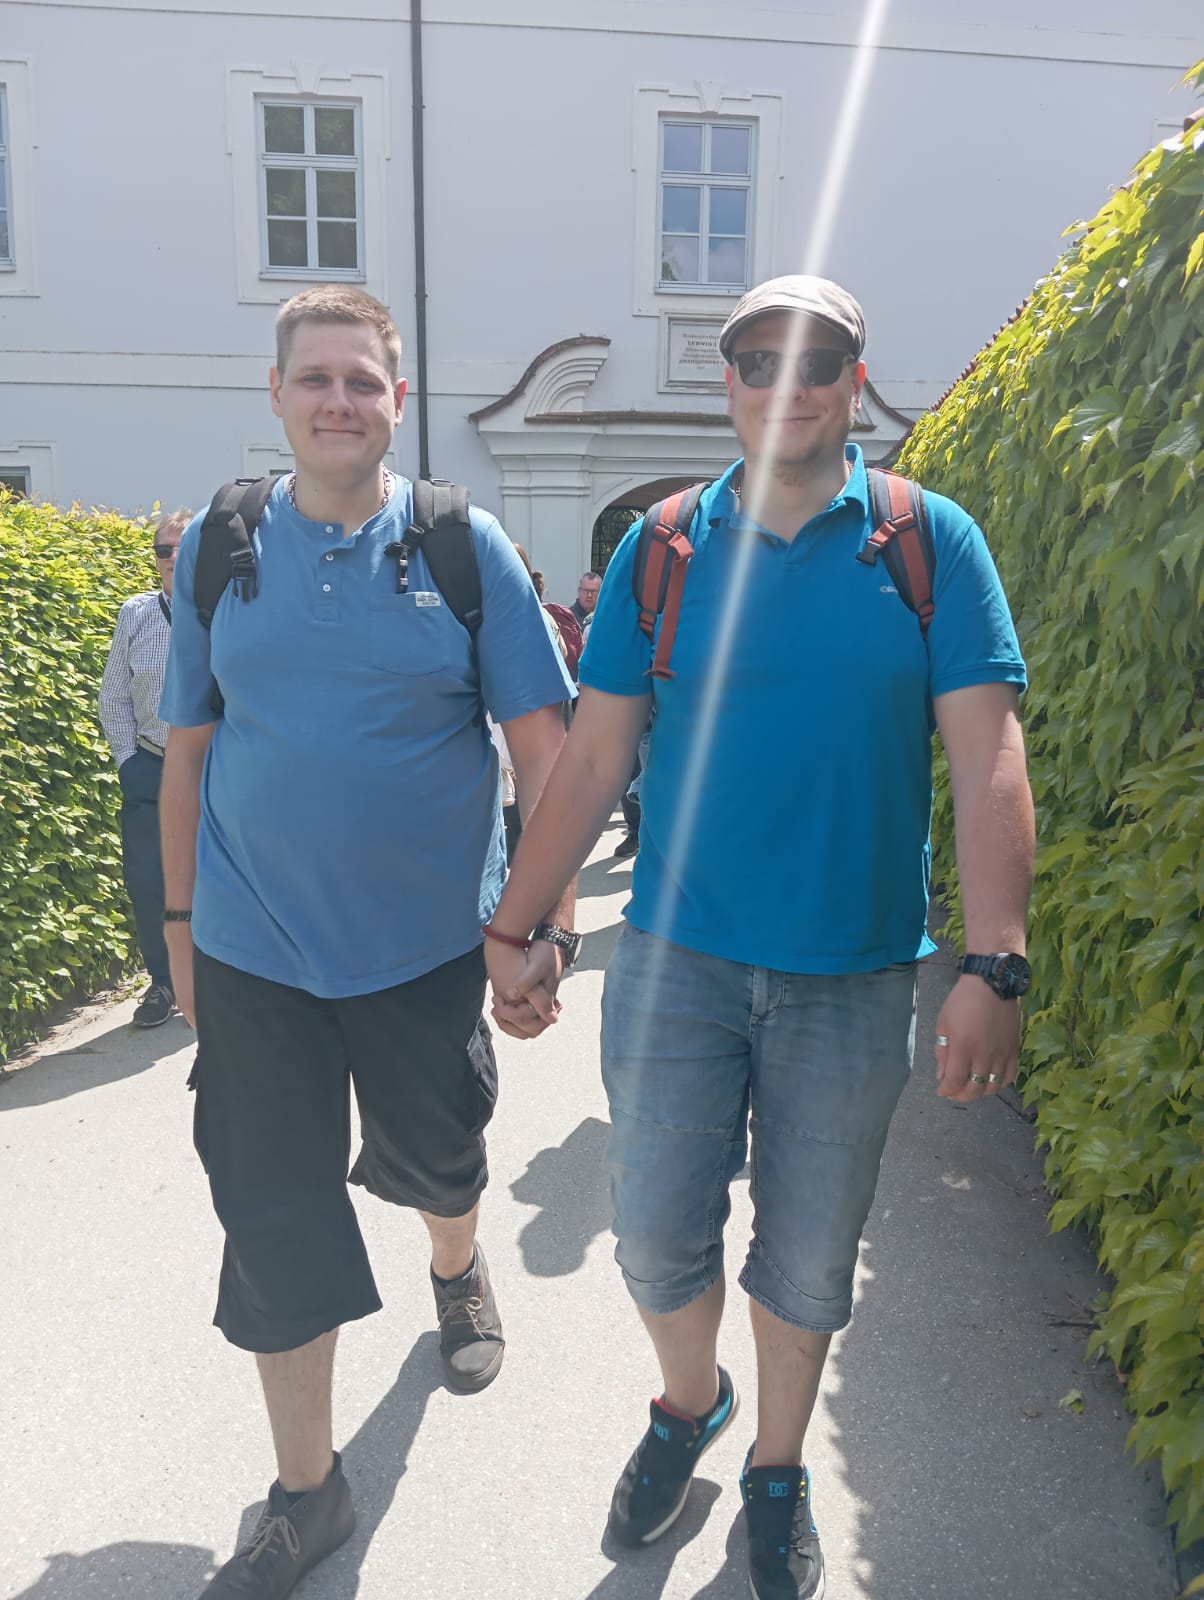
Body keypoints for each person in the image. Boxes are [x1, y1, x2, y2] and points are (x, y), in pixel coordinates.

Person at [482, 274, 1034, 1600]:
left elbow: (987, 754)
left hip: (852, 974)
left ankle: (776, 1471)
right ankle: (692, 1402)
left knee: (806, 1255)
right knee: (652, 1238)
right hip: (677, 963)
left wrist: (994, 962)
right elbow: (594, 755)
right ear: (726, 382)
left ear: (854, 383)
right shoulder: (664, 548)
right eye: (758, 361)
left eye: (817, 361)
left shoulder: (926, 542)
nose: (787, 384)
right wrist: (518, 924)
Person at [158, 285, 575, 1600]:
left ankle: (456, 1264)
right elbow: (187, 753)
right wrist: (179, 928)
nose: (338, 400)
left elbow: (544, 750)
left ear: (398, 399)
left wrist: (541, 922)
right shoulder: (221, 544)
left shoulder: (461, 546)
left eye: (362, 380)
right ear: (278, 396)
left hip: (422, 951)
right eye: (315, 378)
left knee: (439, 1152)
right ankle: (308, 1490)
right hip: (253, 951)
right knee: (271, 1213)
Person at [98, 509, 191, 1027]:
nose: (172, 557)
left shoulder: (224, 608)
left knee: (218, 876)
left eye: (181, 547)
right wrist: (127, 761)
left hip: (212, 770)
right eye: (163, 549)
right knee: (147, 880)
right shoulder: (135, 613)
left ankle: (219, 980)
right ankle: (163, 984)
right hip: (151, 766)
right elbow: (113, 695)